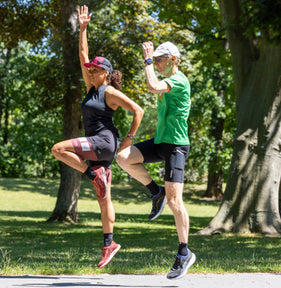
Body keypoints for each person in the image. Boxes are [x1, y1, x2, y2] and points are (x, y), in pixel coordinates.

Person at [51, 5, 144, 269]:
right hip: (99, 147)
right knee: (105, 200)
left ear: (106, 72)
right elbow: (83, 55)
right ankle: (109, 243)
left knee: (58, 149)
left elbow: (138, 110)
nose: (90, 71)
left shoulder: (108, 92)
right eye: (90, 69)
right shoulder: (91, 88)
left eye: (96, 69)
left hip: (103, 142)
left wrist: (129, 139)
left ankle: (92, 174)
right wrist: (83, 28)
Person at [117, 41, 196, 279]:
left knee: (175, 202)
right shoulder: (169, 82)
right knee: (123, 157)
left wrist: (148, 59)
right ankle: (155, 191)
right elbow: (155, 85)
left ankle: (184, 253)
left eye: (161, 59)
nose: (157, 63)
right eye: (156, 59)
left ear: (173, 58)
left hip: (176, 147)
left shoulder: (179, 80)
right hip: (161, 141)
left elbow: (152, 86)